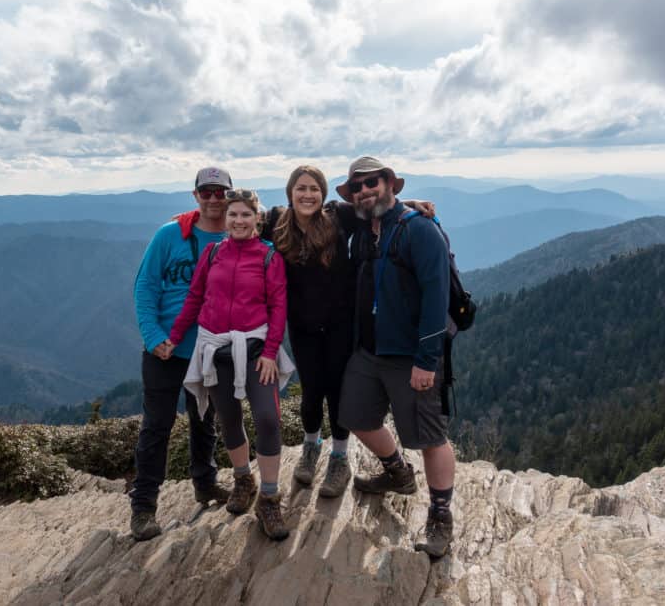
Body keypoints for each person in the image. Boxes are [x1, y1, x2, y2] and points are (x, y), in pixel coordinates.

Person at [263, 166, 437, 499]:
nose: (308, 195)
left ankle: (339, 456)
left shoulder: (339, 216)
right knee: (312, 390)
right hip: (302, 326)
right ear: (290, 192)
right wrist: (194, 216)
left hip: (343, 324)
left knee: (337, 391)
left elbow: (377, 208)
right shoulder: (275, 222)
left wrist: (411, 203)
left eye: (315, 188)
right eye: (301, 188)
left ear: (323, 193)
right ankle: (311, 447)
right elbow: (237, 218)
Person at [336, 156, 458, 558]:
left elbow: (436, 297)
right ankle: (397, 473)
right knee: (354, 417)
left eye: (373, 182)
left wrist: (427, 359)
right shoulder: (361, 228)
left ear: (390, 184)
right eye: (358, 186)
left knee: (430, 438)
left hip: (411, 356)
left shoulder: (419, 230)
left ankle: (440, 516)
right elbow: (304, 211)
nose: (366, 190)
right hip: (368, 352)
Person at [168, 188, 295, 541]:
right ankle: (243, 479)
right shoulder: (212, 254)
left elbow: (278, 307)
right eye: (233, 215)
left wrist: (271, 352)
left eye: (245, 215)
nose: (238, 220)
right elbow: (195, 298)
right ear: (225, 219)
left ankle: (269, 497)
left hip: (255, 351)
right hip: (215, 350)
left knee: (268, 420)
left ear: (258, 219)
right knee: (228, 420)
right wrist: (175, 338)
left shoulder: (270, 258)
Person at [129, 166, 235, 541]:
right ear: (195, 196)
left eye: (219, 192)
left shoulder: (239, 234)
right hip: (165, 350)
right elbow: (145, 287)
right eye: (205, 192)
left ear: (230, 196)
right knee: (156, 426)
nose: (212, 199)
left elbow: (298, 215)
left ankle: (205, 483)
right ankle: (143, 507)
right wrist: (152, 335)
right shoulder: (169, 235)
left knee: (204, 420)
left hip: (209, 348)